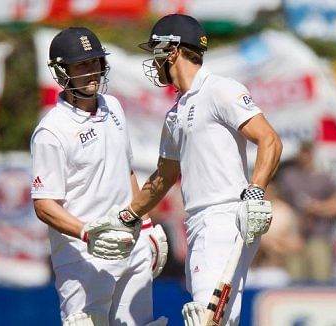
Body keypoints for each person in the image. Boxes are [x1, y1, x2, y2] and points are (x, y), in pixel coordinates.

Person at [103, 14, 283, 325]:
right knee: (219, 318)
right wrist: (126, 216)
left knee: (204, 317)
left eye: (157, 51)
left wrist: (255, 190)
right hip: (200, 223)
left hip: (225, 217)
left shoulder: (220, 90)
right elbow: (163, 178)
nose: (154, 60)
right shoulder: (176, 112)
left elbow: (269, 139)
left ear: (172, 51)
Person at [30, 27, 168, 326]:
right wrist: (87, 233)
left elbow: (125, 170)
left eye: (95, 63)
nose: (92, 72)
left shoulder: (113, 106)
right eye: (82, 65)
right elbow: (44, 205)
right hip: (83, 256)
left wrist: (144, 223)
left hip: (132, 244)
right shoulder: (52, 131)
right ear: (61, 72)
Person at [278, 141, 336, 283]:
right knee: (295, 280)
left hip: (319, 235)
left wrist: (318, 207)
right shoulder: (288, 176)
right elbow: (280, 202)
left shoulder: (324, 177)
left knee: (321, 279)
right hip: (296, 235)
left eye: (308, 153)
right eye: (302, 152)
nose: (304, 156)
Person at [246, 178, 304, 288]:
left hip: (276, 271)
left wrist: (272, 242)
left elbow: (297, 245)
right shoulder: (246, 208)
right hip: (250, 271)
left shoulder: (285, 212)